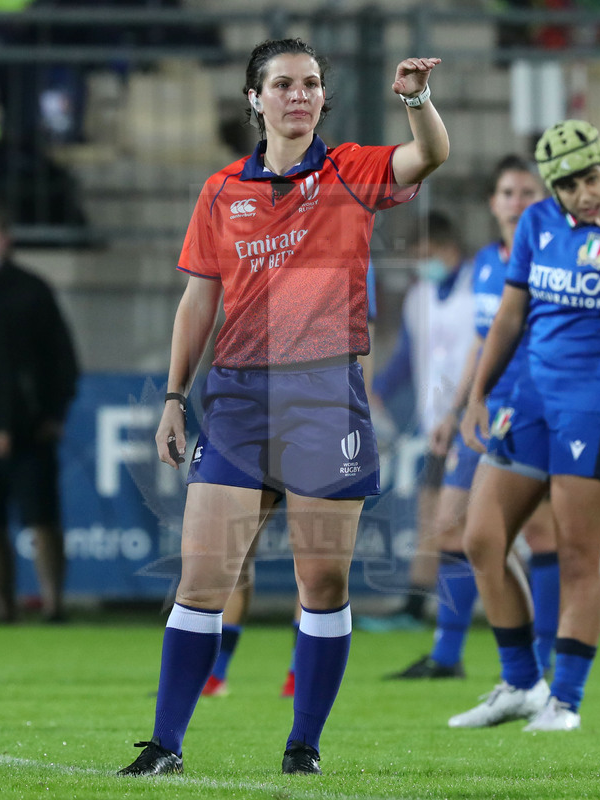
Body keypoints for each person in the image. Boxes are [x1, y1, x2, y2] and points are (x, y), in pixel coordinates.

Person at [117, 37, 449, 777]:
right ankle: (164, 744)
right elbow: (198, 298)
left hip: (326, 395)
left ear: (322, 98)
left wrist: (416, 100)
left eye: (310, 84)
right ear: (254, 98)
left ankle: (304, 747)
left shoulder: (352, 170)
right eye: (283, 85)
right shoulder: (219, 191)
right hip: (237, 397)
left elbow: (427, 156)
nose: (298, 95)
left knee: (320, 583)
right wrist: (175, 396)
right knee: (203, 576)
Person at [448, 120, 600, 732]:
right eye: (571, 184)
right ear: (552, 191)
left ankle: (567, 702)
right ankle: (523, 682)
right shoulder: (536, 225)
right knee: (481, 538)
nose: (587, 193)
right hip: (528, 400)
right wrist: (478, 393)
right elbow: (509, 316)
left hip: (597, 404)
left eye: (593, 177)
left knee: (579, 555)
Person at [387, 155, 560, 680]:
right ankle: (447, 655)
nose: (516, 201)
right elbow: (483, 339)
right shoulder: (487, 263)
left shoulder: (555, 257)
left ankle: (543, 658)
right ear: (493, 202)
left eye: (527, 191)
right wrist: (463, 404)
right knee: (451, 528)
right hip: (490, 412)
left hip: (539, 410)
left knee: (543, 535)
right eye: (508, 192)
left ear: (543, 200)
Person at [201, 260, 379, 700]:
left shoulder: (341, 247)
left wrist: (359, 409)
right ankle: (214, 675)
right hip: (250, 411)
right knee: (235, 555)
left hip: (319, 413)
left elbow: (361, 340)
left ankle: (300, 676)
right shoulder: (256, 240)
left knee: (315, 563)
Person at [356, 210, 476, 633]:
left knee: (478, 525)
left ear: (448, 249)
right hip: (437, 423)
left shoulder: (479, 287)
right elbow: (409, 354)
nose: (421, 264)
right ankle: (416, 607)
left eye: (426, 254)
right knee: (432, 515)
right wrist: (379, 391)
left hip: (476, 421)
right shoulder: (419, 296)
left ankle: (504, 619)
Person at [0, 194, 78, 622]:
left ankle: (54, 605)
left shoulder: (31, 291)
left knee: (42, 519)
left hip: (30, 429)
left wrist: (53, 415)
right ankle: (3, 607)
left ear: (6, 237)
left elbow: (62, 360)